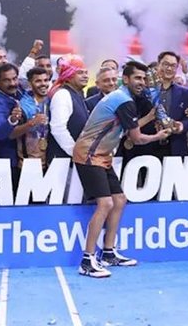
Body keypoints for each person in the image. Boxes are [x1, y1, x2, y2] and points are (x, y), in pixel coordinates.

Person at [72, 61, 172, 277]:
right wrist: (157, 136)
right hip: (89, 154)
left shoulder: (124, 98)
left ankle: (108, 252)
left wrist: (154, 116)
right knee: (105, 203)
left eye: (144, 78)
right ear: (125, 79)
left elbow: (129, 127)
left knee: (119, 200)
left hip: (102, 155)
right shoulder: (124, 101)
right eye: (137, 78)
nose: (142, 82)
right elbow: (136, 138)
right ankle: (87, 260)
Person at [0, 63, 26, 185]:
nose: (12, 83)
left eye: (14, 78)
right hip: (7, 161)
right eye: (6, 80)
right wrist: (12, 120)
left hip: (24, 157)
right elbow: (0, 132)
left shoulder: (19, 91)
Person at [47, 57, 90, 160]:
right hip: (63, 160)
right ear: (68, 75)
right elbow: (58, 128)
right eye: (80, 73)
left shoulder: (77, 94)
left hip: (75, 159)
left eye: (86, 72)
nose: (85, 76)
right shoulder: (63, 95)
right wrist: (75, 151)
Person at [14, 67, 51, 167]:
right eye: (38, 81)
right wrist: (31, 123)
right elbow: (12, 133)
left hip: (49, 162)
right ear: (30, 84)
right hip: (28, 163)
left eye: (46, 80)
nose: (43, 84)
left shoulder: (51, 101)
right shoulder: (22, 106)